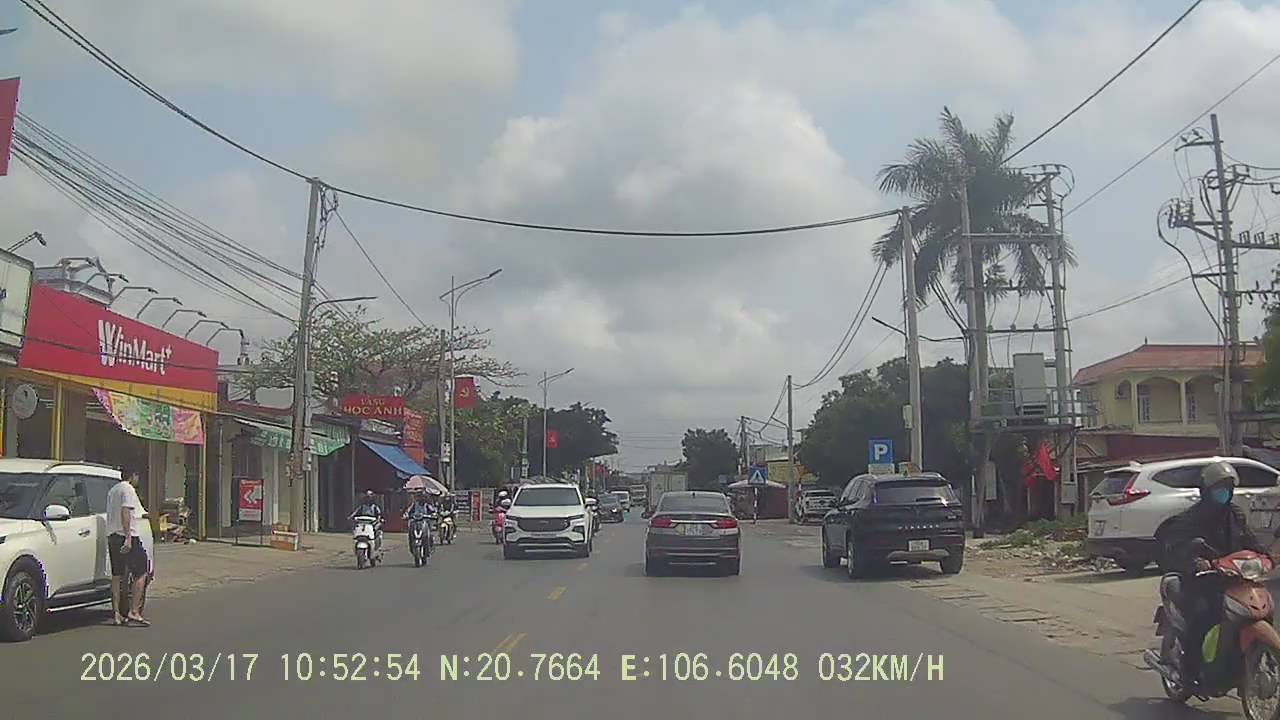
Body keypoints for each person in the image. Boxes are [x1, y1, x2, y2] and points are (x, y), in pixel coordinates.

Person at [1166, 461, 1266, 687]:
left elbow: (1250, 540)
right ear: (1206, 490)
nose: (1224, 493)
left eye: (1228, 488)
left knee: (1260, 607)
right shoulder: (1190, 518)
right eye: (1219, 488)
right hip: (1202, 581)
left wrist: (1267, 555)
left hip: (1234, 578)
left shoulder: (1235, 515)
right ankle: (1189, 671)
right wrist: (1195, 562)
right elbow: (1177, 547)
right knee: (1203, 617)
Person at [106, 468, 150, 627]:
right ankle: (134, 611)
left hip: (112, 536)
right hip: (125, 535)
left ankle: (116, 613)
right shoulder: (128, 489)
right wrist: (128, 538)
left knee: (117, 575)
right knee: (142, 571)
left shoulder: (113, 490)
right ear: (133, 475)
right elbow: (125, 512)